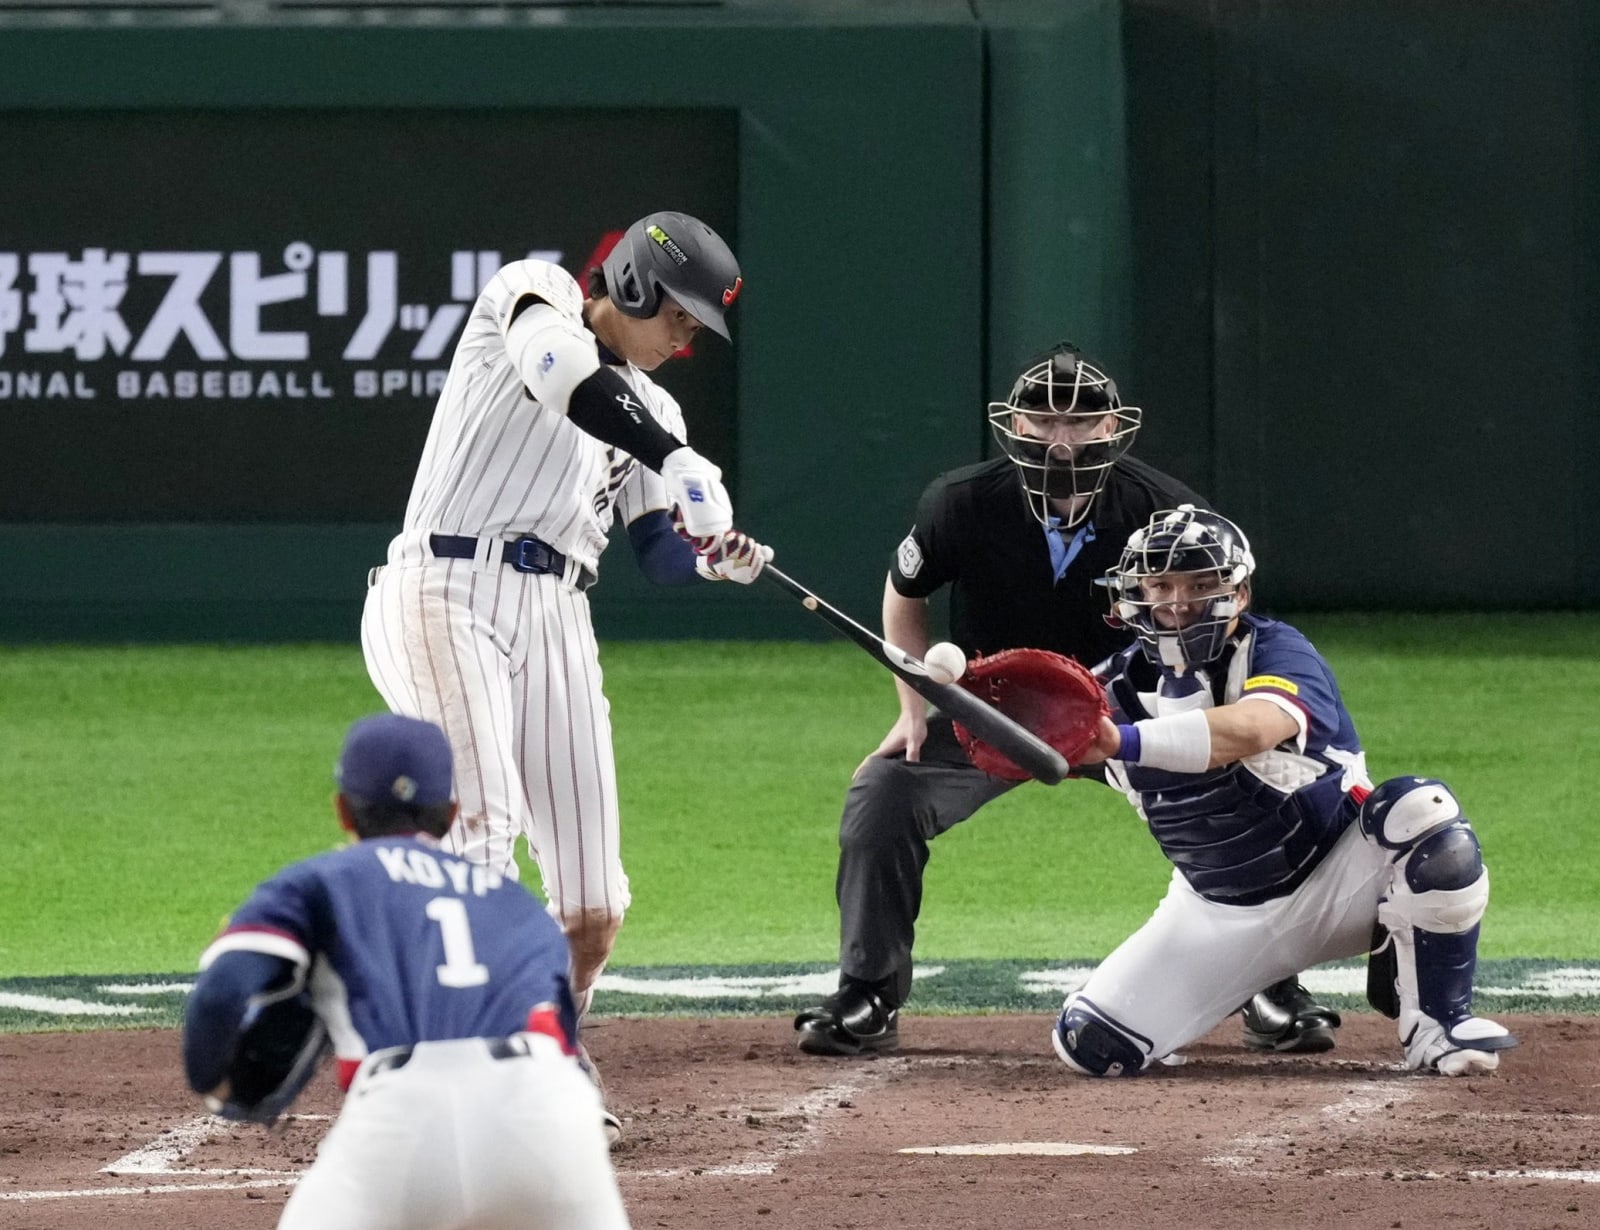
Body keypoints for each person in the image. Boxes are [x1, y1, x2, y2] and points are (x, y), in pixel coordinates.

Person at [794, 342, 1339, 1057]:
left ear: (1113, 427)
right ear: (1012, 425)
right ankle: (867, 991)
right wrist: (911, 703)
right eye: (1042, 421)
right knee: (883, 793)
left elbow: (1219, 611)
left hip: (1133, 707)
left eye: (1080, 422)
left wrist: (1194, 718)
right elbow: (904, 594)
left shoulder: (1165, 508)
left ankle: (1269, 985)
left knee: (1244, 802)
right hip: (997, 709)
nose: (1060, 440)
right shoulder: (960, 503)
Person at [359, 212, 770, 1139]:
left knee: (594, 904)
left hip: (556, 614)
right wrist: (680, 458)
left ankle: (543, 1037)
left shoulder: (658, 414)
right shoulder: (529, 295)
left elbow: (659, 552)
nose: (687, 336)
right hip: (441, 589)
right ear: (628, 283)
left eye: (699, 324)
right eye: (679, 313)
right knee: (481, 829)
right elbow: (564, 378)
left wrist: (716, 559)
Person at [1055, 506, 1516, 1077]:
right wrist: (1005, 732)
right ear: (1131, 594)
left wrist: (1119, 741)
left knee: (1422, 813)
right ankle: (1259, 987)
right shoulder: (1109, 689)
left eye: (1201, 585)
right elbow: (1030, 753)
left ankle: (1437, 1022)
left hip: (1343, 882)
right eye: (1161, 584)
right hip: (1217, 911)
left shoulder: (1276, 650)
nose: (1178, 602)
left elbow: (1251, 728)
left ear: (1239, 593)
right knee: (1093, 1045)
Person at [182, 713, 631, 1229]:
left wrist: (211, 1081)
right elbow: (563, 1042)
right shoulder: (519, 907)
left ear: (343, 810)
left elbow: (222, 992)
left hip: (402, 1125)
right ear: (452, 813)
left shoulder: (316, 884)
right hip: (549, 1122)